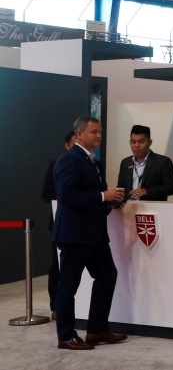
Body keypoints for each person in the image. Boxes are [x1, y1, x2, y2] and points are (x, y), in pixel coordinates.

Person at [52, 116, 127, 350]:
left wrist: (111, 202)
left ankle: (96, 329)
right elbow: (67, 196)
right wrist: (104, 196)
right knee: (68, 286)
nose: (98, 136)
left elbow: (92, 197)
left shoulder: (94, 162)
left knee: (107, 275)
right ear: (80, 134)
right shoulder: (69, 160)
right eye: (94, 132)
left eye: (100, 132)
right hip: (74, 235)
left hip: (94, 234)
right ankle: (65, 335)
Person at [42, 131, 76, 321]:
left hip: (80, 224)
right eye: (74, 143)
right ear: (67, 145)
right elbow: (46, 194)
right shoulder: (56, 164)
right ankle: (55, 306)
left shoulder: (90, 165)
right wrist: (65, 197)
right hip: (59, 222)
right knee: (57, 266)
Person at [115, 125, 173, 201]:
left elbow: (172, 188)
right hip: (129, 209)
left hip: (154, 209)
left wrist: (147, 191)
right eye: (133, 142)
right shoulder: (125, 163)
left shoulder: (163, 162)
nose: (136, 145)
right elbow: (121, 188)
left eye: (141, 142)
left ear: (150, 142)